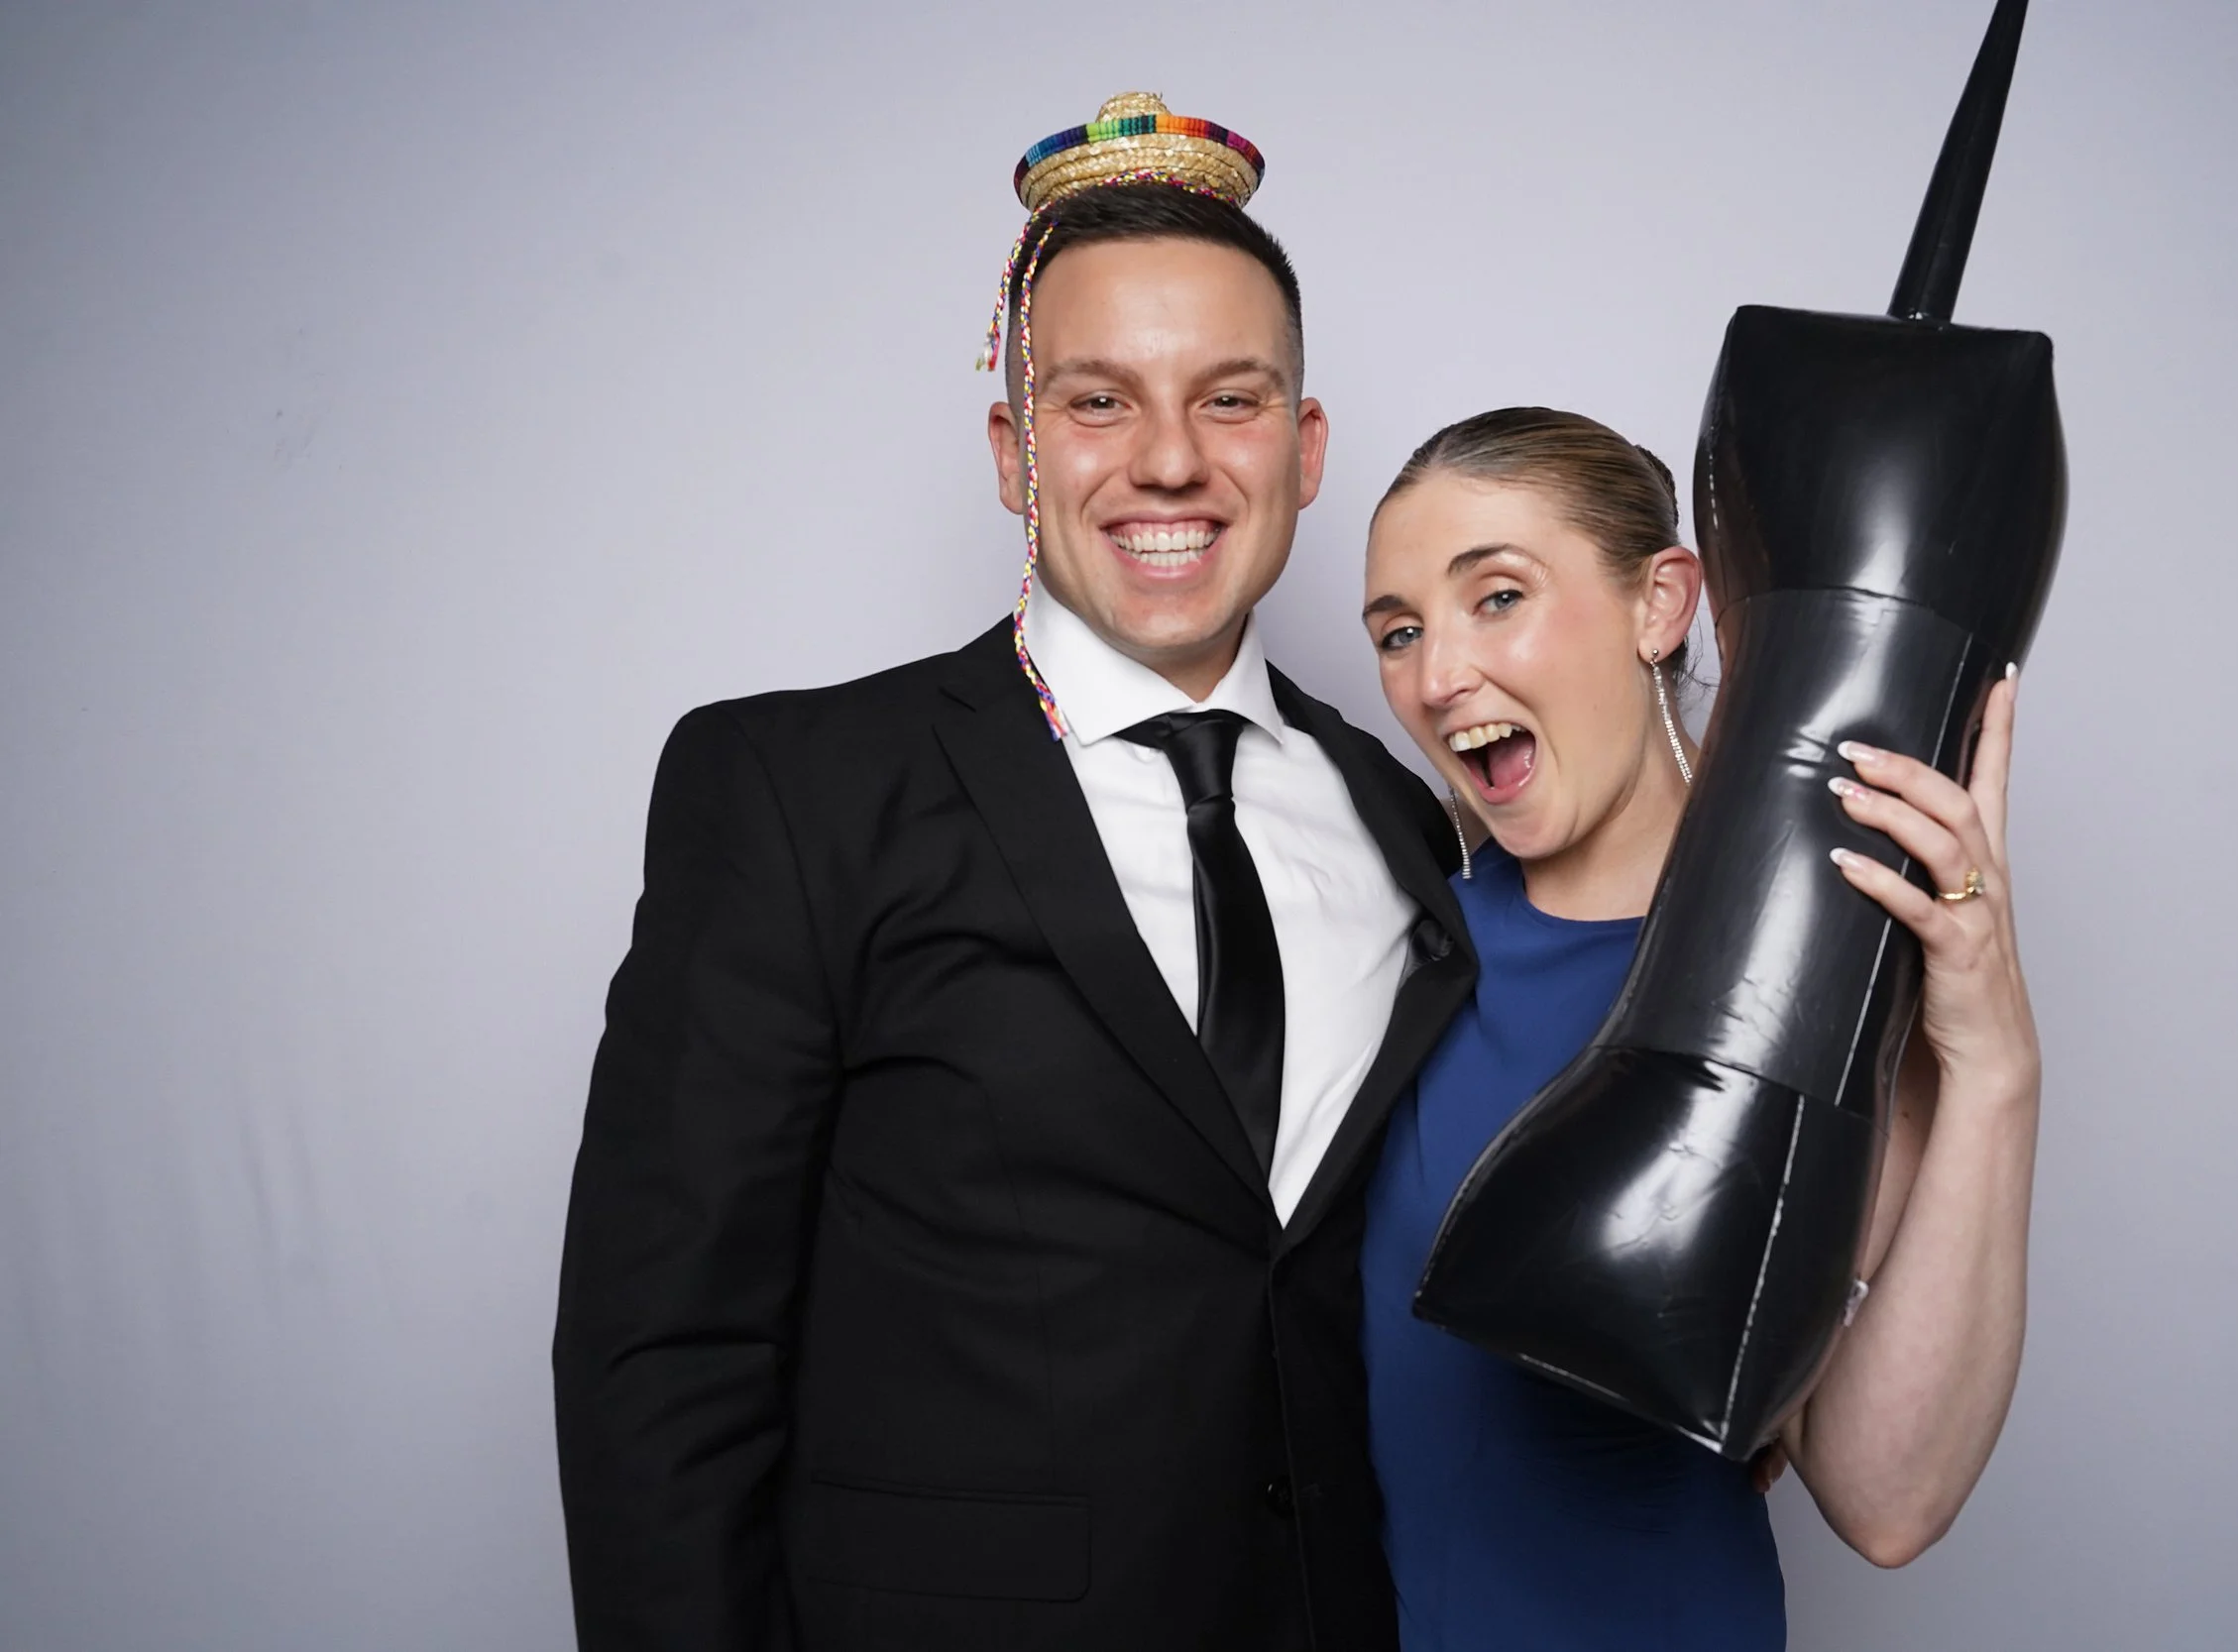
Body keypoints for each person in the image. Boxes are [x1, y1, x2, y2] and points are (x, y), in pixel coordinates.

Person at [551, 97, 1471, 1651]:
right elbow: (665, 1356)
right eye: (1099, 400)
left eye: (1230, 399)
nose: (1169, 460)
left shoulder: (1407, 814)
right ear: (1014, 450)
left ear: (1306, 451)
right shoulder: (797, 791)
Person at [1356, 407, 2042, 1649]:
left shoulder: (1815, 980)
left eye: (1496, 595)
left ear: (1660, 602)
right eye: (1398, 631)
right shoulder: (1399, 951)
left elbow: (1887, 1498)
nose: (1435, 672)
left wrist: (1994, 1067)